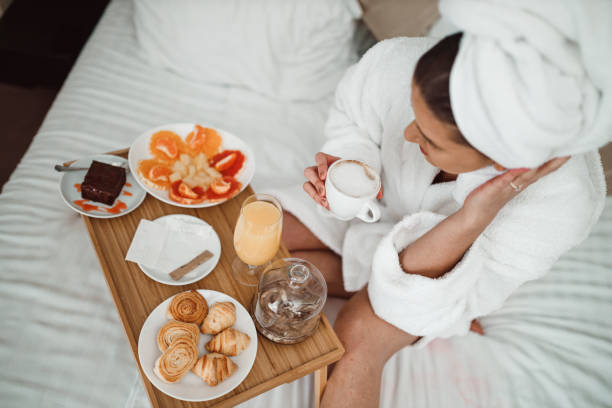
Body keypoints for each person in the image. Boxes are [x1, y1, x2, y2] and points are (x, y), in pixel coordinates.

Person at [269, 2, 610, 406]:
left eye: (430, 141)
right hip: (376, 210)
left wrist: (473, 217)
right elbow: (354, 116)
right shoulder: (411, 66)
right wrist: (353, 163)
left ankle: (365, 286)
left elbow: (428, 289)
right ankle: (349, 271)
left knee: (352, 344)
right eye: (413, 116)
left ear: (503, 162)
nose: (409, 136)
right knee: (255, 235)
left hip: (436, 282)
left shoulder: (558, 207)